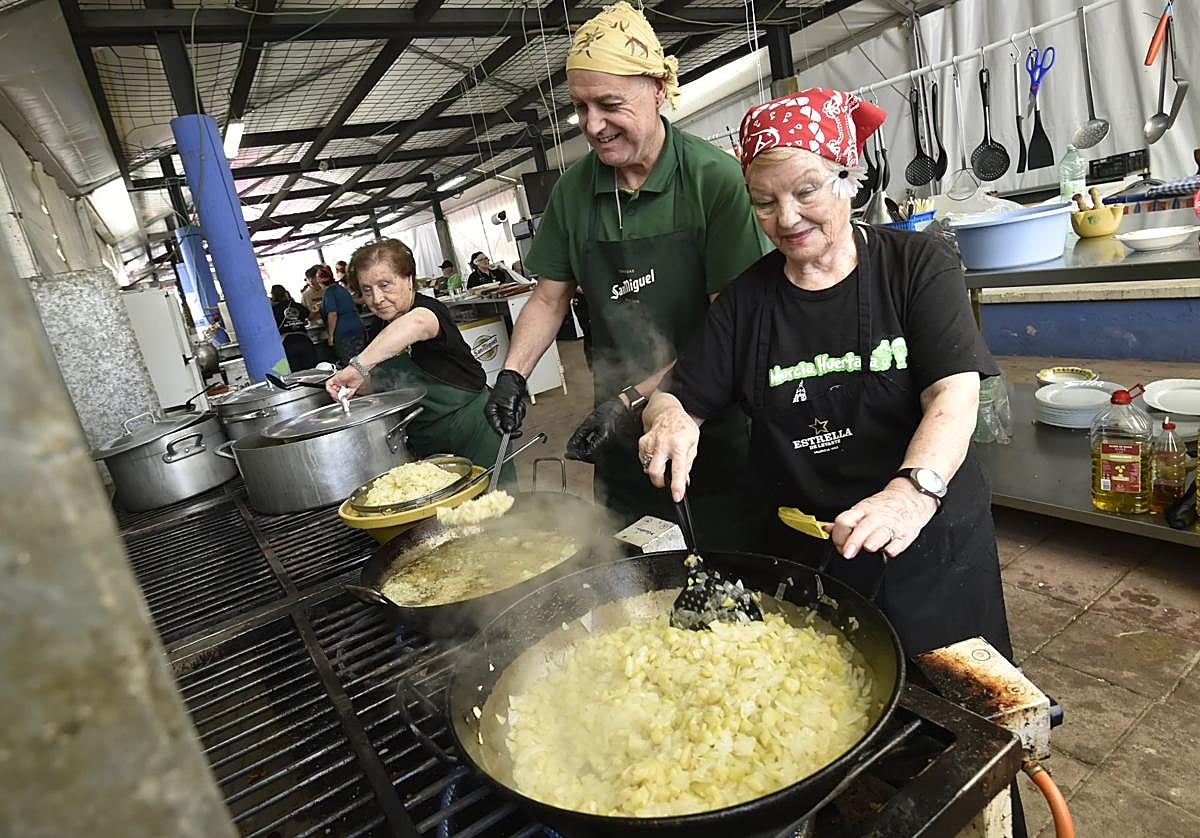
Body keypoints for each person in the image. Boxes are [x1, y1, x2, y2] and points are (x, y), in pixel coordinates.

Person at [637, 88, 1015, 663]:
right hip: (809, 556)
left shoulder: (916, 265)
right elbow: (676, 398)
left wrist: (912, 493)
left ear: (848, 177)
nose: (785, 219)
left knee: (959, 710)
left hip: (926, 538)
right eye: (763, 202)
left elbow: (953, 393)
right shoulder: (744, 304)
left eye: (806, 190)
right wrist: (669, 420)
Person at [483, 0, 766, 546]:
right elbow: (547, 299)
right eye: (581, 107)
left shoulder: (715, 180)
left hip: (709, 422)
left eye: (609, 104)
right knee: (632, 565)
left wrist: (634, 397)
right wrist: (513, 374)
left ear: (659, 88)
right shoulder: (573, 192)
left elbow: (727, 328)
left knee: (726, 565)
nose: (592, 125)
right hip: (613, 424)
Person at [323, 240, 514, 483]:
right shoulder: (379, 325)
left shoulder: (428, 310)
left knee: (498, 509)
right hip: (425, 437)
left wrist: (358, 366)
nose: (377, 298)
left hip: (472, 427)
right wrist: (351, 386)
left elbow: (417, 324)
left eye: (385, 285)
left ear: (409, 279)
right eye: (367, 289)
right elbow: (379, 380)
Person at [318, 264, 366, 366]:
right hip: (356, 325)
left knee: (350, 362)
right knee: (361, 359)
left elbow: (332, 314)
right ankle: (367, 377)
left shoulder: (329, 293)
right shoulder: (342, 289)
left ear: (320, 281)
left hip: (343, 330)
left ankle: (358, 380)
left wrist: (330, 335)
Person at [270, 284, 317, 371]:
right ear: (285, 293)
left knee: (296, 374)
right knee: (311, 372)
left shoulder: (273, 310)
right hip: (304, 341)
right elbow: (310, 316)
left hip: (288, 344)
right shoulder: (296, 305)